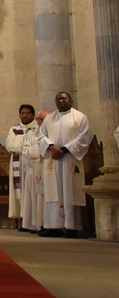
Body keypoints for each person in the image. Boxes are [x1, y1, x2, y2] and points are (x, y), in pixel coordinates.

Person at [38, 92, 93, 237]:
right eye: (58, 99)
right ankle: (54, 226)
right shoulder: (49, 118)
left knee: (70, 191)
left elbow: (84, 138)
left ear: (71, 100)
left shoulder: (80, 117)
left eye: (64, 98)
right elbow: (41, 136)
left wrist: (63, 149)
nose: (61, 101)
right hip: (53, 160)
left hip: (70, 159)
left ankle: (71, 227)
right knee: (52, 191)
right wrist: (51, 147)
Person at [4, 104, 43, 233]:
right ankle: (25, 220)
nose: (24, 115)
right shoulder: (14, 129)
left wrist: (23, 145)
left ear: (33, 115)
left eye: (27, 113)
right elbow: (10, 147)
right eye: (22, 113)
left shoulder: (38, 128)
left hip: (33, 164)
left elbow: (36, 147)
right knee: (21, 193)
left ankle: (34, 221)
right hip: (18, 163)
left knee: (32, 192)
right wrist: (26, 145)